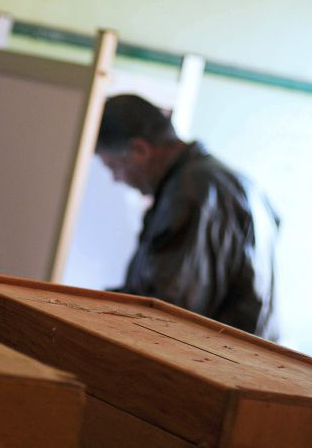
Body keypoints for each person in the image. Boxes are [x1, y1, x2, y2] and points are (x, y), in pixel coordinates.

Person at [96, 94, 279, 339]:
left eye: (114, 166)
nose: (116, 179)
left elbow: (168, 313)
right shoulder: (234, 182)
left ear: (140, 150)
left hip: (213, 362)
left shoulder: (192, 191)